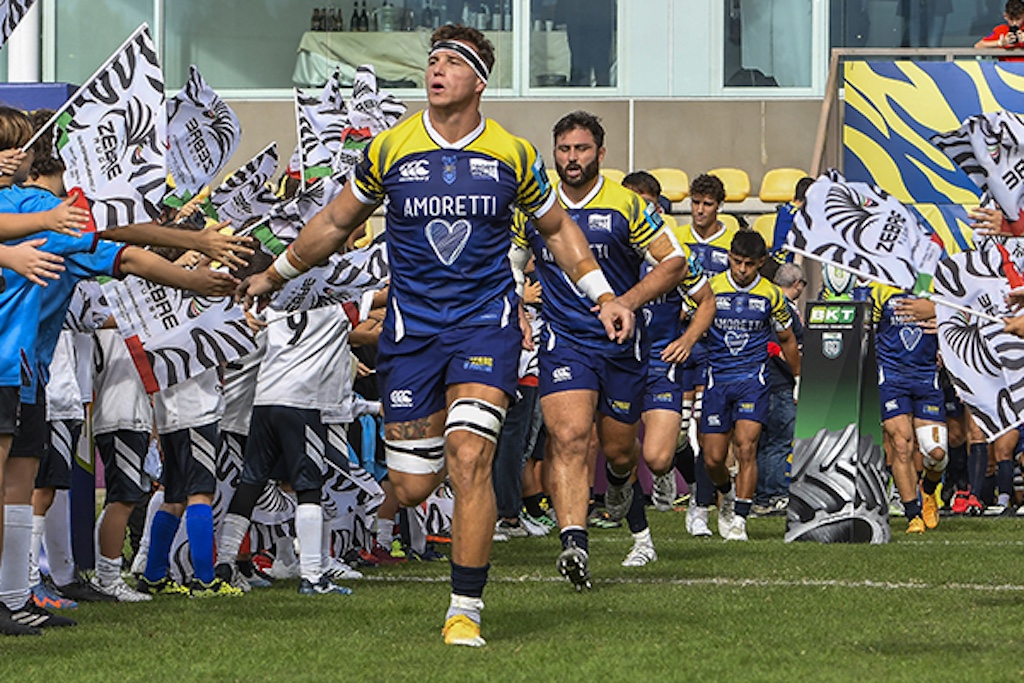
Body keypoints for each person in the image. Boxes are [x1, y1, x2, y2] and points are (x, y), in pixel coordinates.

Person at [237, 25, 633, 647]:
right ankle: (411, 494)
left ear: (479, 80)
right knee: (416, 484)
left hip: (484, 325)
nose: (437, 69)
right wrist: (275, 273)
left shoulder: (515, 153)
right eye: (433, 60)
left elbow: (557, 231)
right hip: (410, 335)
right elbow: (337, 222)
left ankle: (464, 611)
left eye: (452, 61)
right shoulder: (390, 148)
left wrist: (603, 294)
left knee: (471, 457)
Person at [511, 112, 687, 583]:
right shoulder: (533, 205)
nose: (572, 158)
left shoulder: (626, 205)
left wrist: (626, 303)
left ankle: (622, 485)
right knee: (568, 439)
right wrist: (517, 311)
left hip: (620, 346)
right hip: (563, 342)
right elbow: (510, 260)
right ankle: (574, 544)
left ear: (601, 154)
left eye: (582, 149)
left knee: (619, 453)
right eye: (565, 149)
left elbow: (675, 262)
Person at [614, 170, 713, 566]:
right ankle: (641, 541)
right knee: (621, 455)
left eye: (646, 202)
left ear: (657, 206)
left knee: (657, 458)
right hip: (619, 361)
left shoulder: (671, 257)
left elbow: (707, 301)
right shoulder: (610, 254)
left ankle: (696, 490)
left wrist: (687, 340)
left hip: (659, 363)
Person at [700, 231, 800, 542]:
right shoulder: (711, 288)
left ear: (761, 263)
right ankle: (727, 495)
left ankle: (740, 520)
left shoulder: (771, 294)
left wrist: (799, 378)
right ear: (729, 257)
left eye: (749, 264)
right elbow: (693, 323)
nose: (742, 270)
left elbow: (787, 338)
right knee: (713, 458)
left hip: (752, 381)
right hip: (717, 380)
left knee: (747, 447)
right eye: (737, 262)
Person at [673, 173, 739, 538]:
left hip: (715, 348)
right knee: (676, 437)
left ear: (719, 206)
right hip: (680, 344)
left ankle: (699, 507)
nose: (700, 210)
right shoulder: (676, 238)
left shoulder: (732, 240)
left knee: (702, 433)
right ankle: (706, 486)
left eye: (707, 204)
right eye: (695, 203)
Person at [871, 286, 947, 533]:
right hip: (891, 376)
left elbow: (965, 317)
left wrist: (943, 319)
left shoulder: (937, 288)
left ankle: (928, 491)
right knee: (901, 443)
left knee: (937, 454)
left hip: (926, 377)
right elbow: (862, 328)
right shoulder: (879, 290)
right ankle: (913, 515)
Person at [752, 262, 805, 516]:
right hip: (780, 383)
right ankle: (774, 495)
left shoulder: (763, 302)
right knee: (779, 442)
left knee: (763, 443)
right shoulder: (783, 309)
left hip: (759, 382)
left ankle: (761, 497)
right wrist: (798, 375)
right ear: (797, 285)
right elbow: (783, 348)